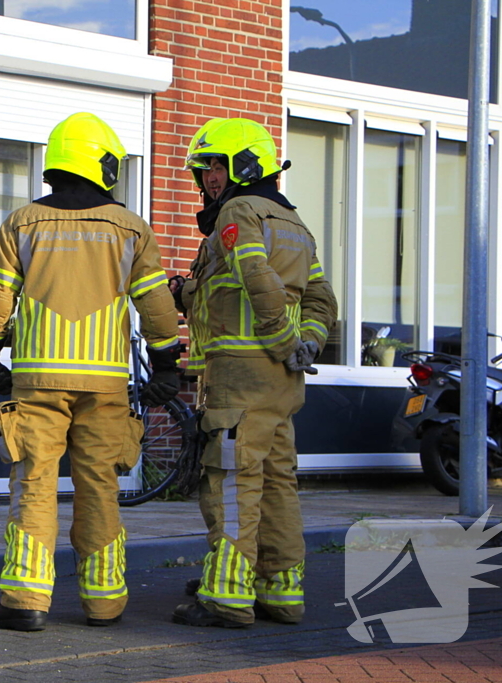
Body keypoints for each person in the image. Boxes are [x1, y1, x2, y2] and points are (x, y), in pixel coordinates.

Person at [0, 112, 182, 632]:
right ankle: (104, 603)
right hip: (105, 384)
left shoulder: (22, 223)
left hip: (38, 382)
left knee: (33, 485)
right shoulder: (131, 229)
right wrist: (168, 366)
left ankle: (25, 602)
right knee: (99, 487)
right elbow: (154, 303)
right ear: (103, 164)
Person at [169, 118, 338, 628]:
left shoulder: (240, 212)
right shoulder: (294, 223)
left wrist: (284, 338)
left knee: (231, 481)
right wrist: (305, 344)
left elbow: (255, 276)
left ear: (244, 165)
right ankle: (281, 591)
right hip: (282, 382)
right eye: (204, 170)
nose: (208, 179)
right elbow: (320, 297)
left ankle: (226, 596)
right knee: (276, 482)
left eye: (215, 166)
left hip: (240, 379)